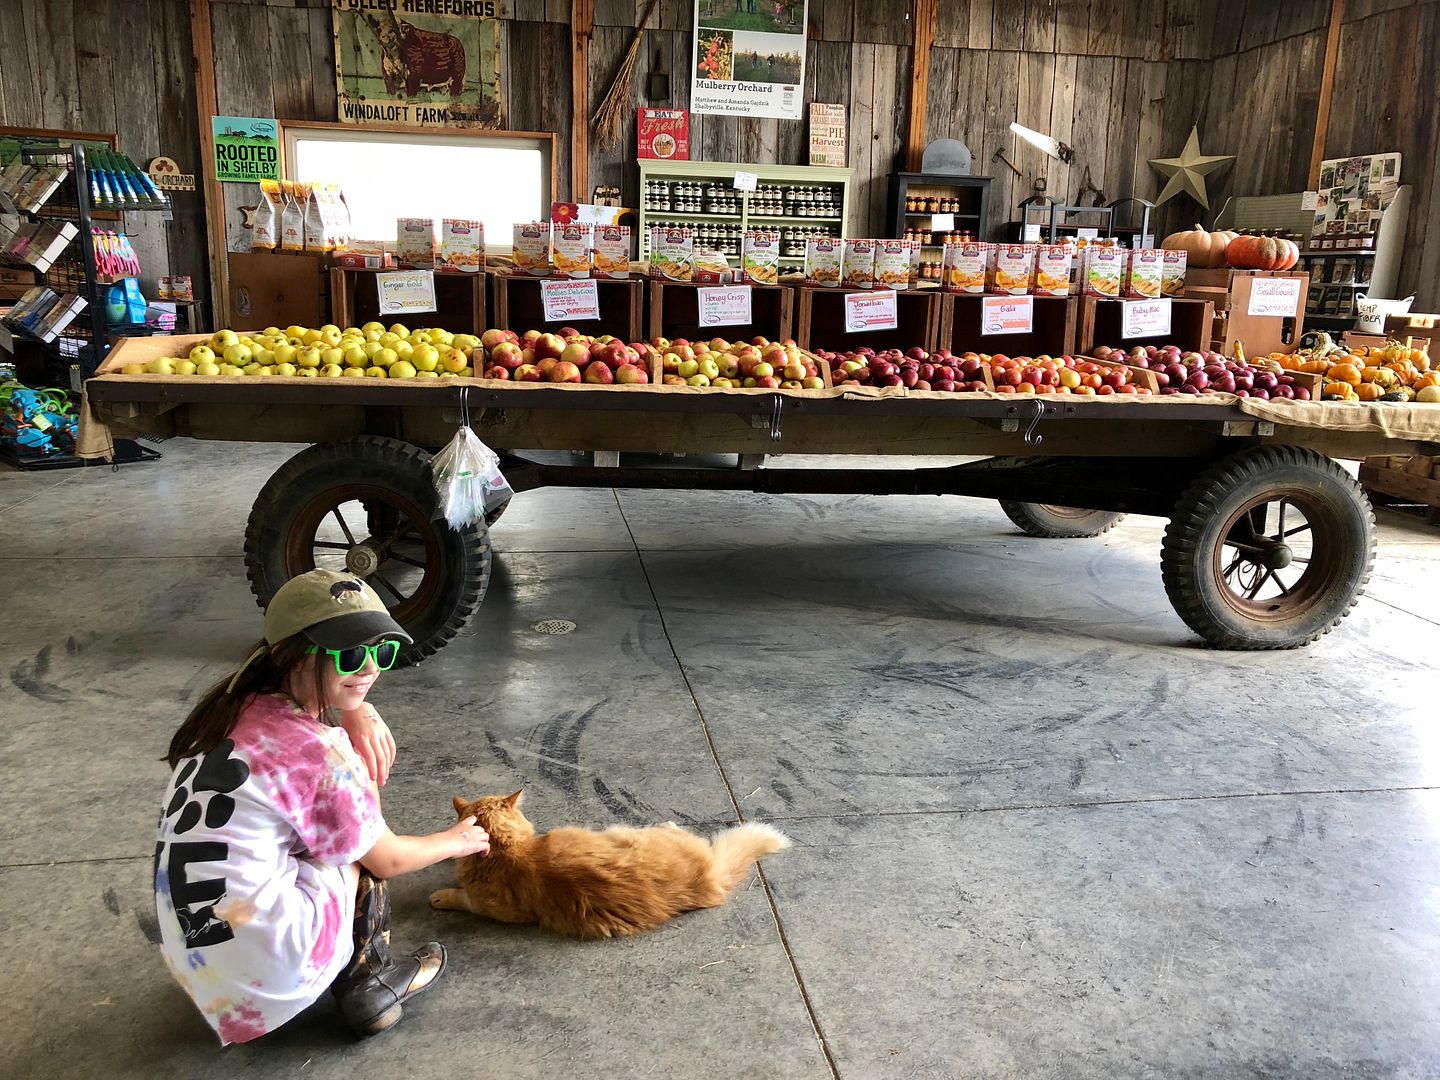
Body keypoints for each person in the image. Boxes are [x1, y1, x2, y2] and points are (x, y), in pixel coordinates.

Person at [154, 569, 491, 1044]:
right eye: (352, 653)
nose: (371, 667)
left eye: (383, 651)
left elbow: (332, 690)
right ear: (294, 657)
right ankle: (370, 987)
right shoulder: (319, 754)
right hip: (271, 973)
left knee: (321, 833)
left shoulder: (235, 707)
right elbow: (385, 857)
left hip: (201, 964)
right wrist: (455, 841)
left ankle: (285, 965)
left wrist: (355, 708)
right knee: (353, 845)